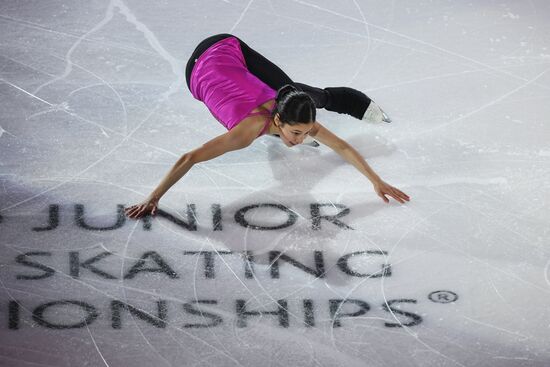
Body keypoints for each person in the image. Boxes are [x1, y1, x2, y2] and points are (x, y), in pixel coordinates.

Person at [125, 34, 409, 219]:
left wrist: (376, 180)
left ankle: (345, 100)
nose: (299, 140)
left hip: (232, 56)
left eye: (305, 132)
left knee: (299, 94)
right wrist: (153, 198)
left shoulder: (294, 118)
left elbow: (341, 146)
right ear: (277, 121)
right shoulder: (244, 133)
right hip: (210, 56)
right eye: (295, 133)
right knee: (292, 90)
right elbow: (189, 158)